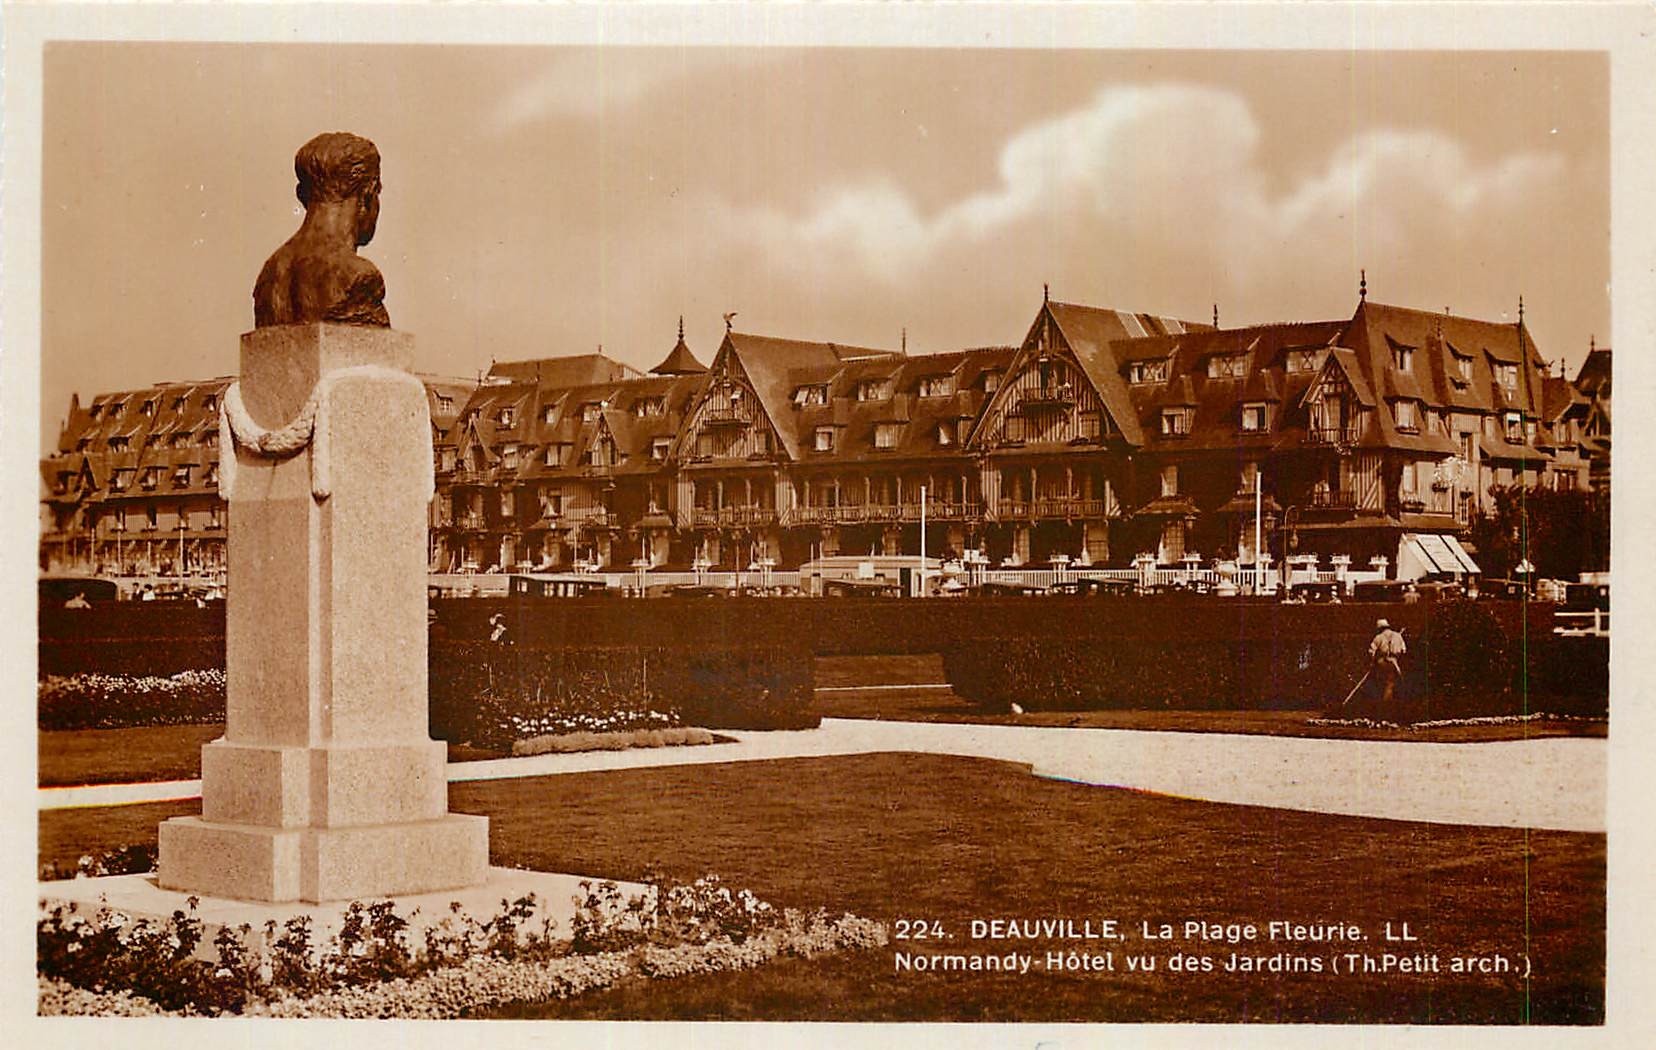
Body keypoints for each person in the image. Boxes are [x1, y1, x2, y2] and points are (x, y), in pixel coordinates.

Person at [1368, 618, 1408, 708]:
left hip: (1382, 662)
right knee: (1390, 682)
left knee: (1386, 683)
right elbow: (1404, 650)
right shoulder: (1398, 636)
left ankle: (1385, 704)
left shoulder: (1378, 637)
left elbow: (1371, 651)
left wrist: (1372, 662)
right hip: (1394, 662)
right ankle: (1387, 704)